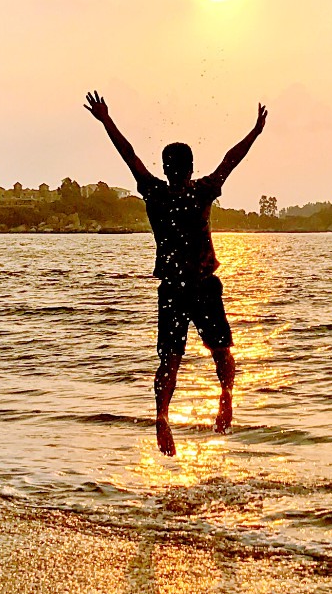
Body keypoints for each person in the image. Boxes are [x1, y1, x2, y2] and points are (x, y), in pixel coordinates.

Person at [85, 92, 268, 455]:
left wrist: (106, 120)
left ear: (167, 169)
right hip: (201, 286)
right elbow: (230, 160)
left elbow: (129, 155)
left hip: (173, 289)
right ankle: (226, 397)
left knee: (171, 358)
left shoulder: (154, 192)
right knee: (220, 352)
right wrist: (256, 131)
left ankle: (163, 416)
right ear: (190, 168)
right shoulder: (201, 192)